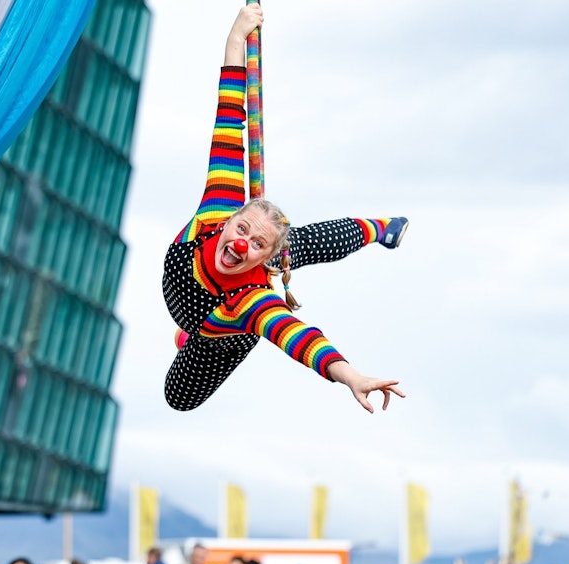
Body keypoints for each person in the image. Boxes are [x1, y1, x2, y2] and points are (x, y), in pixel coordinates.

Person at [161, 2, 406, 413]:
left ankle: (379, 228)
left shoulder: (252, 302)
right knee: (293, 242)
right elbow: (228, 115)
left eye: (256, 244)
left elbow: (299, 337)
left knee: (178, 398)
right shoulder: (217, 208)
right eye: (242, 231)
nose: (243, 244)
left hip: (220, 330)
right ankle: (374, 228)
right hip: (192, 296)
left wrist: (351, 376)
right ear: (229, 222)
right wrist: (236, 37)